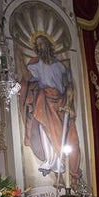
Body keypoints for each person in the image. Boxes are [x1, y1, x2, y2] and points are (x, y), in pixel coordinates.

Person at [21, 32, 81, 179]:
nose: (41, 47)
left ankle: (60, 161)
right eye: (38, 45)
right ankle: (50, 160)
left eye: (43, 43)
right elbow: (28, 80)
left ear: (49, 45)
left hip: (59, 102)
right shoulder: (36, 65)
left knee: (60, 132)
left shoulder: (60, 66)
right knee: (44, 128)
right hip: (45, 100)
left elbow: (68, 86)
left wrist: (68, 100)